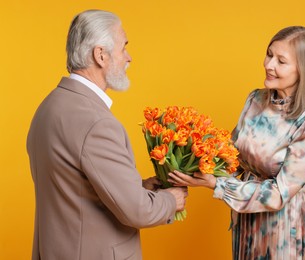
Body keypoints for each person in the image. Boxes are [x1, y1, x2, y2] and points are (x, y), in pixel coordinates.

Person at [27, 9, 187, 260]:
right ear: (100, 55)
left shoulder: (49, 107)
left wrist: (138, 188)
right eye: (123, 47)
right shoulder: (97, 123)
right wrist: (170, 200)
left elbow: (76, 190)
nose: (129, 57)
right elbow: (136, 211)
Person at [169, 26, 305, 259]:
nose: (269, 65)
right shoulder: (256, 99)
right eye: (269, 54)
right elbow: (232, 156)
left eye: (281, 61)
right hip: (248, 219)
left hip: (285, 226)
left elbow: (278, 195)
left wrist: (217, 184)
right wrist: (189, 155)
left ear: (303, 70)